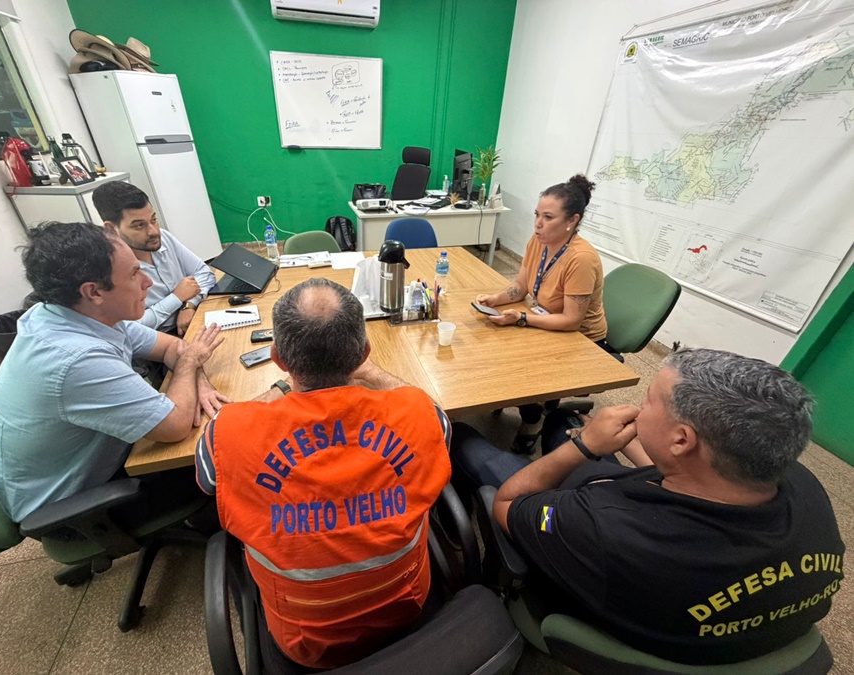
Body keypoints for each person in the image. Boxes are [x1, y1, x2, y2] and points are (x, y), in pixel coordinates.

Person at [451, 348, 844, 666]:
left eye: (648, 401)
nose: (638, 408)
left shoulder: (602, 527)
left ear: (681, 440)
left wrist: (584, 446)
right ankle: (560, 425)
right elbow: (697, 477)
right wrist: (621, 444)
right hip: (695, 607)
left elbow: (509, 502)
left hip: (592, 552)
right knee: (562, 421)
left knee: (466, 439)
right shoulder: (799, 484)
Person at [195, 278, 452, 670]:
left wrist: (282, 387)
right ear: (363, 351)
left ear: (279, 358)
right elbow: (439, 418)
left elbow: (209, 481)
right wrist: (373, 372)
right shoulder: (418, 413)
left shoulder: (226, 433)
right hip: (407, 609)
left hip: (307, 646)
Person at [0, 222, 228, 523]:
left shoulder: (75, 312)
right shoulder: (77, 360)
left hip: (89, 461)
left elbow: (171, 347)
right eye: (134, 274)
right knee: (229, 455)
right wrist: (190, 365)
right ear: (94, 291)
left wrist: (196, 377)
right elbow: (176, 424)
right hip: (77, 505)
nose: (147, 283)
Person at [475, 174, 609, 452]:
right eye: (537, 215)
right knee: (493, 347)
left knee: (519, 363)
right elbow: (521, 286)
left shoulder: (581, 259)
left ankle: (533, 418)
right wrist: (497, 298)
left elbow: (572, 321)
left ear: (572, 221)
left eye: (548, 217)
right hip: (547, 318)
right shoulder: (538, 241)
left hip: (580, 339)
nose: (538, 224)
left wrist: (522, 318)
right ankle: (531, 402)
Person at [92, 181, 216, 336]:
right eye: (139, 225)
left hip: (194, 315)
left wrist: (189, 305)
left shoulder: (163, 238)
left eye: (153, 219)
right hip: (160, 341)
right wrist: (176, 298)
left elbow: (204, 272)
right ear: (111, 228)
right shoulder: (108, 268)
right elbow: (130, 328)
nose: (153, 231)